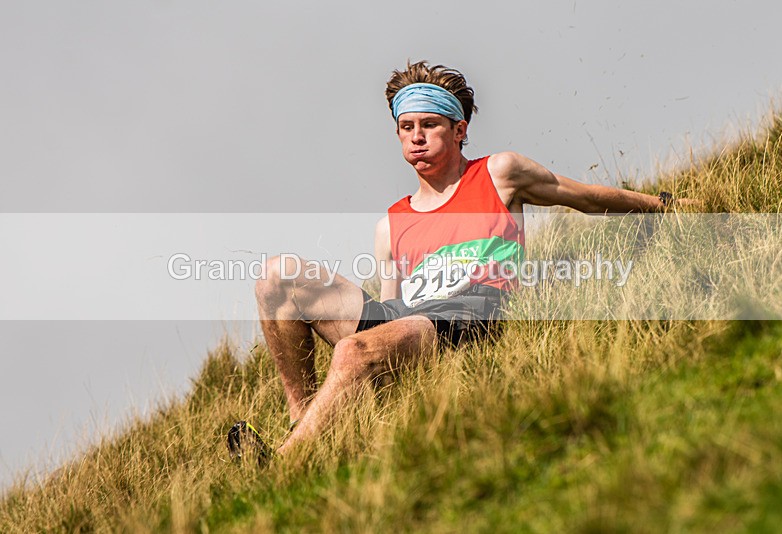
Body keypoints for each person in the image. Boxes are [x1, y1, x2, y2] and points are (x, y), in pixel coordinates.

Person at [228, 61, 686, 460]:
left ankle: (284, 464)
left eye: (429, 125)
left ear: (460, 130)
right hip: (411, 322)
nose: (417, 137)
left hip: (474, 313)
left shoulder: (498, 174)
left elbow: (583, 197)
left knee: (351, 351)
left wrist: (659, 204)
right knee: (276, 276)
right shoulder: (391, 223)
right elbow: (389, 310)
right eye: (407, 127)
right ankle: (302, 419)